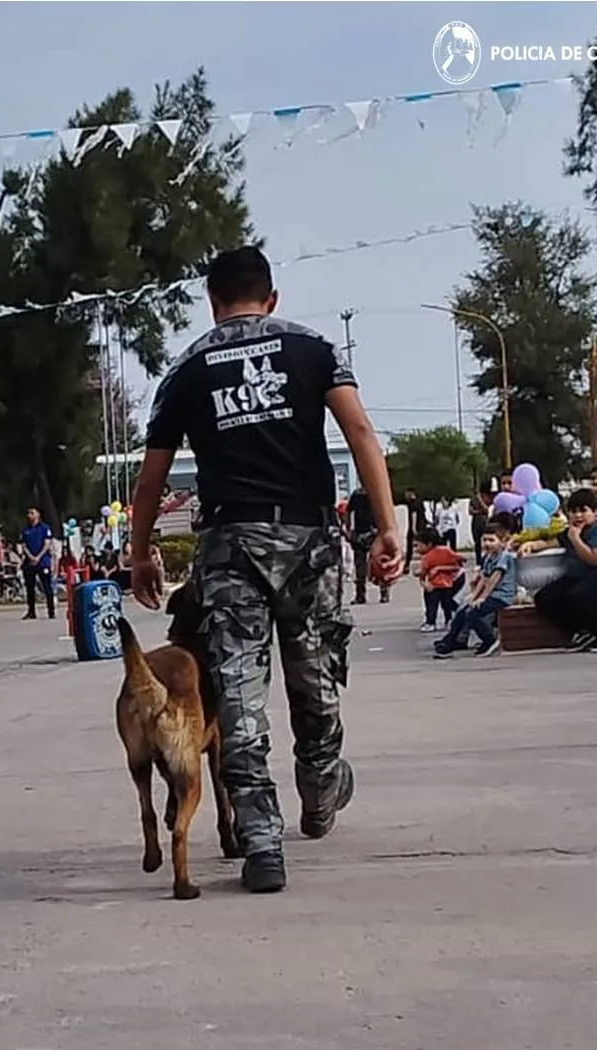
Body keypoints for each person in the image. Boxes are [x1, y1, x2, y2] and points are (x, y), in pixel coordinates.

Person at [126, 245, 402, 893]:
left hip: (228, 549)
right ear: (271, 298)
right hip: (307, 542)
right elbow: (361, 433)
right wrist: (387, 526)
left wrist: (140, 553)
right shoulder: (313, 349)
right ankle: (320, 789)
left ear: (212, 301)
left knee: (239, 696)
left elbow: (152, 477)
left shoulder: (187, 368)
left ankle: (261, 845)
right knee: (316, 679)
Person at [519, 487, 597, 653]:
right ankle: (581, 632)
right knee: (545, 597)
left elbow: (593, 559)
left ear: (595, 512)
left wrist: (575, 539)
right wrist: (531, 545)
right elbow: (553, 542)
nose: (578, 516)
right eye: (573, 511)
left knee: (580, 596)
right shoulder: (571, 530)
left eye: (583, 511)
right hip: (580, 578)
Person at [433, 524, 516, 658]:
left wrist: (482, 597)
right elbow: (483, 578)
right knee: (463, 611)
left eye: (491, 540)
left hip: (502, 596)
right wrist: (474, 595)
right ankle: (451, 641)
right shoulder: (488, 557)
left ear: (502, 542)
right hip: (491, 594)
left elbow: (494, 579)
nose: (487, 543)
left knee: (473, 613)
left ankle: (489, 640)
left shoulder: (504, 557)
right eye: (485, 540)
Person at [414, 527, 465, 631]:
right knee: (446, 602)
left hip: (440, 583)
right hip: (446, 583)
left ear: (429, 544)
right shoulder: (445, 550)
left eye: (418, 545)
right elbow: (460, 560)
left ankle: (431, 622)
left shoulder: (427, 557)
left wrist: (437, 569)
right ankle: (449, 619)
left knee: (432, 603)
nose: (416, 549)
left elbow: (422, 574)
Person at [19, 507, 55, 620]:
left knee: (47, 587)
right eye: (28, 513)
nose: (29, 515)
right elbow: (23, 546)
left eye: (32, 513)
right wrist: (30, 557)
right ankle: (31, 611)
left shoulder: (44, 528)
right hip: (29, 562)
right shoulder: (25, 530)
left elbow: (47, 543)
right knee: (30, 587)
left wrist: (38, 557)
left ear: (38, 514)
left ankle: (51, 611)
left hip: (42, 561)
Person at [403, 488, 428, 568]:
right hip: (422, 526)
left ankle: (407, 564)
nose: (405, 497)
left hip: (416, 526)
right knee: (423, 545)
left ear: (410, 493)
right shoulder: (420, 501)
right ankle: (425, 562)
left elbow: (414, 515)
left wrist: (413, 528)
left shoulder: (413, 504)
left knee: (410, 544)